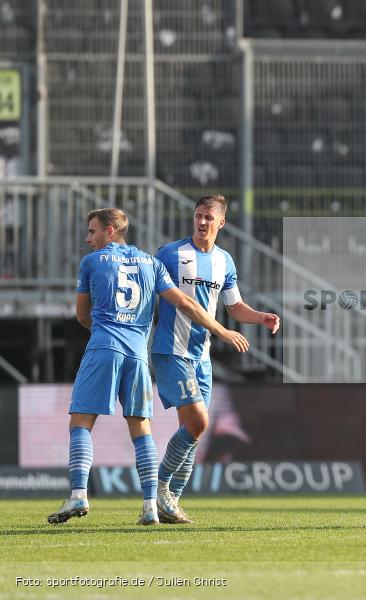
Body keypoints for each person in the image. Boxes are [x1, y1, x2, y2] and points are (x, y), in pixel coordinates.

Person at [47, 208, 249, 526]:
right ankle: (151, 506)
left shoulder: (91, 262)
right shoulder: (151, 263)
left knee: (81, 421)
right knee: (141, 429)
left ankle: (79, 494)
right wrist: (221, 331)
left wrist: (106, 331)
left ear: (110, 231)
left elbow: (83, 315)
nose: (88, 239)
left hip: (104, 347)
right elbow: (185, 302)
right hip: (138, 355)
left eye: (92, 231)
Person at [151, 194, 280, 524]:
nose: (202, 222)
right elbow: (153, 295)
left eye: (209, 217)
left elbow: (234, 306)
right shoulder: (171, 254)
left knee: (192, 432)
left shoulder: (224, 261)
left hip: (201, 357)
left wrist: (260, 317)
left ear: (221, 222)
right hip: (172, 351)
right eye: (198, 215)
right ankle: (158, 490)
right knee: (199, 423)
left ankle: (168, 504)